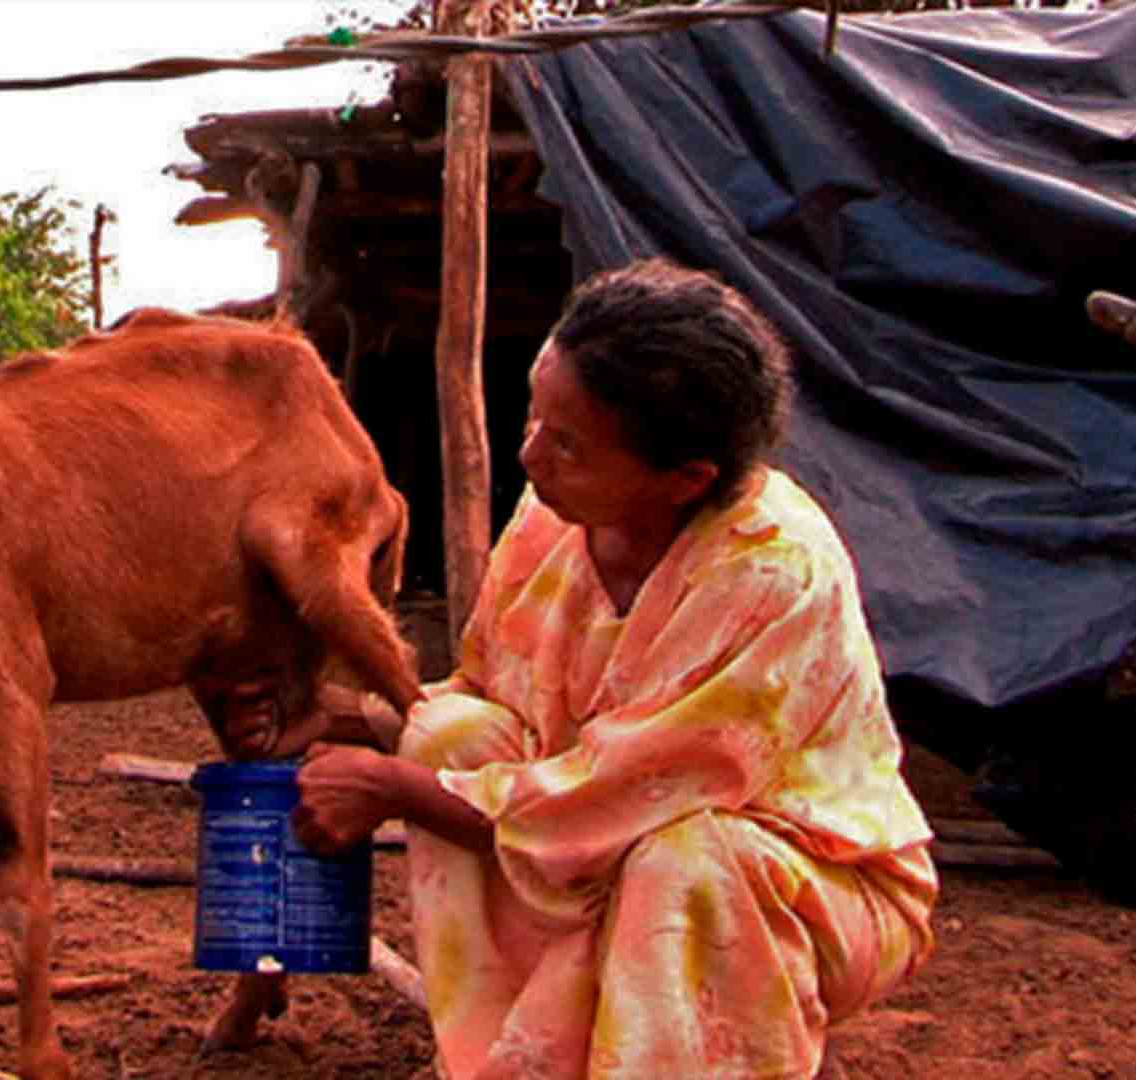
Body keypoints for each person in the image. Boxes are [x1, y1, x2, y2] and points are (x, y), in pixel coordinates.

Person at [281, 258, 938, 1079]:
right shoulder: (559, 512)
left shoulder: (774, 574)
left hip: (805, 888)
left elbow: (620, 798)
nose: (529, 455)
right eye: (534, 417)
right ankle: (525, 1051)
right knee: (452, 736)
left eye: (567, 444)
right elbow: (495, 701)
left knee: (690, 863)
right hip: (609, 840)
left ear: (684, 479)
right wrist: (355, 718)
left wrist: (388, 788)